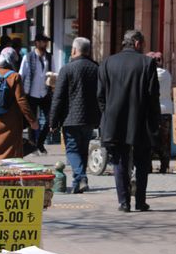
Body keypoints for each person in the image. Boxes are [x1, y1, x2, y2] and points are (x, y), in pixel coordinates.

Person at [97, 30, 160, 212]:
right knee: (142, 163)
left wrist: (108, 114)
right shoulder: (147, 63)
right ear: (137, 43)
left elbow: (100, 95)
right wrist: (154, 121)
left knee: (119, 162)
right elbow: (152, 96)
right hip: (140, 120)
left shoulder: (108, 63)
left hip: (114, 121)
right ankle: (140, 201)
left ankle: (124, 202)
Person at [49, 37, 100, 193]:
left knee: (72, 150)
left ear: (74, 50)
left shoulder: (67, 69)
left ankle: (81, 177)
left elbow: (58, 97)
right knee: (83, 150)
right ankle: (78, 183)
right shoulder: (96, 68)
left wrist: (53, 121)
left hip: (70, 118)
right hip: (90, 118)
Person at [0, 47, 39, 160]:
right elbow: (21, 101)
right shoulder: (15, 76)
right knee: (10, 153)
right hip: (11, 121)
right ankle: (8, 176)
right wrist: (32, 121)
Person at [19, 33, 53, 154]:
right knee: (32, 121)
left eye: (46, 42)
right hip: (31, 93)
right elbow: (21, 75)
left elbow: (52, 72)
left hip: (45, 93)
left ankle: (40, 142)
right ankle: (33, 145)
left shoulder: (49, 57)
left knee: (50, 118)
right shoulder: (28, 57)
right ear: (37, 43)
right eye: (44, 41)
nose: (46, 44)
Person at [146, 51, 172, 173]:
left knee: (150, 138)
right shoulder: (167, 74)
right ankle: (164, 166)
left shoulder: (150, 74)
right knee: (165, 140)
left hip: (153, 110)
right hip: (166, 110)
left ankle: (148, 165)